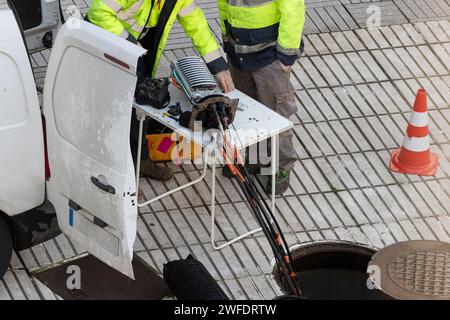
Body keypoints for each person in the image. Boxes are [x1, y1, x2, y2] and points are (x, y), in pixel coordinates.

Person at [86, 0, 234, 180]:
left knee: (136, 108)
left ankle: (140, 161)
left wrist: (217, 65)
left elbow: (196, 23)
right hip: (105, 45)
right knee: (109, 109)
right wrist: (129, 43)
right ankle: (108, 173)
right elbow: (98, 13)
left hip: (136, 49)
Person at [218, 0, 306, 194]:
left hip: (270, 57)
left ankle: (283, 166)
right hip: (239, 54)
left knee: (277, 113)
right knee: (247, 111)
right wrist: (227, 38)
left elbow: (293, 8)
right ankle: (256, 159)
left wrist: (287, 55)